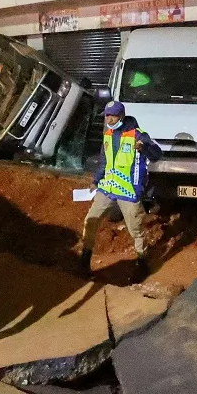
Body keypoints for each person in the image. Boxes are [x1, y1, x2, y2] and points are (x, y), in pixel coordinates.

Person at [77, 100, 163, 283]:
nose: (108, 119)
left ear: (121, 116)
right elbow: (104, 161)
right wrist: (96, 180)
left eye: (112, 115)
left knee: (135, 229)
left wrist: (144, 147)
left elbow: (157, 154)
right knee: (90, 221)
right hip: (108, 187)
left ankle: (142, 263)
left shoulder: (138, 135)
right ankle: (84, 260)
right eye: (107, 115)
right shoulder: (108, 134)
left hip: (129, 190)